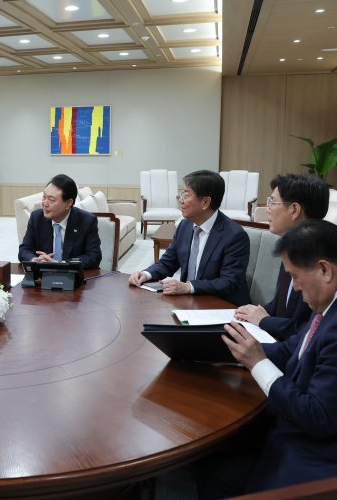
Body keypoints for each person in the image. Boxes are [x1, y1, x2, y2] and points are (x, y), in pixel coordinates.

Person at [198, 220, 337, 497]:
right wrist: (231, 349)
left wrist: (257, 363)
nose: (295, 287)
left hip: (313, 456)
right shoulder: (326, 305)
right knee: (212, 455)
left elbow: (318, 417)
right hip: (289, 428)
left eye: (296, 276)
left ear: (324, 270)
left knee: (217, 469)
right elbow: (291, 351)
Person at [128, 169, 251, 306]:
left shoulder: (234, 235)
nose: (180, 200)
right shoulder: (185, 226)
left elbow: (229, 281)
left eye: (186, 195)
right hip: (190, 302)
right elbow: (168, 262)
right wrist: (146, 274)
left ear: (205, 202)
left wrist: (188, 287)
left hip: (223, 306)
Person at [234, 174, 330, 339]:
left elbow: (309, 330)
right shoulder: (293, 246)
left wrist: (264, 320)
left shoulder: (319, 257)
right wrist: (250, 313)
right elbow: (281, 305)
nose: (268, 209)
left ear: (294, 210)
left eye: (272, 202)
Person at [18, 174, 102, 269]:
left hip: (72, 278)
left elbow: (94, 257)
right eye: (44, 197)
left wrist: (61, 264)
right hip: (42, 277)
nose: (45, 204)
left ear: (68, 203)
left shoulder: (87, 221)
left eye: (51, 200)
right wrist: (34, 260)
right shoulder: (36, 218)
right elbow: (24, 250)